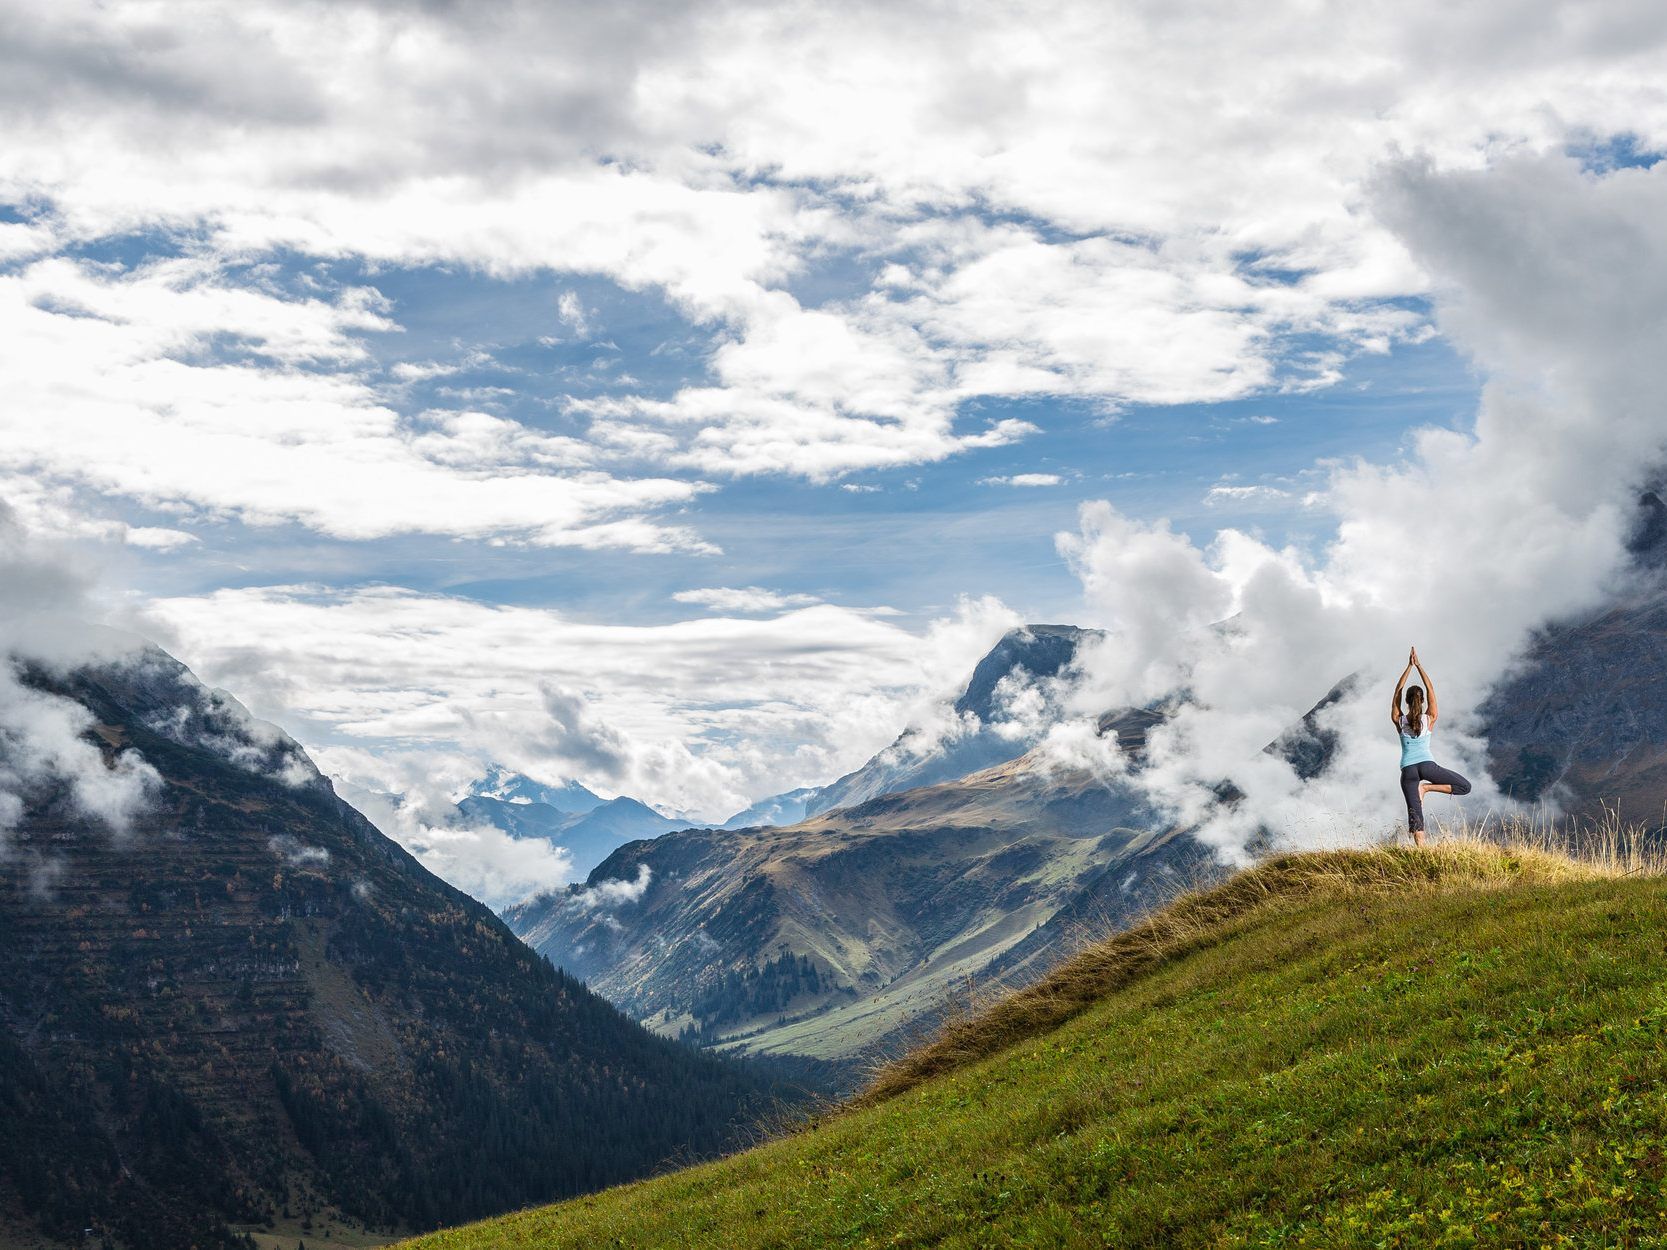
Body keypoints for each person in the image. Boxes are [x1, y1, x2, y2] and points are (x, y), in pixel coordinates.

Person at [1391, 647, 1472, 846]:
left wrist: (1408, 667)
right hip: (1428, 766)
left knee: (1415, 813)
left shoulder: (1399, 720)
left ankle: (1421, 852)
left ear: (1407, 701)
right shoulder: (1430, 718)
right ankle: (1427, 788)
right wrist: (1418, 666)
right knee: (1465, 787)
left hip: (1408, 770)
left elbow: (1397, 691)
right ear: (1423, 700)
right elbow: (1431, 689)